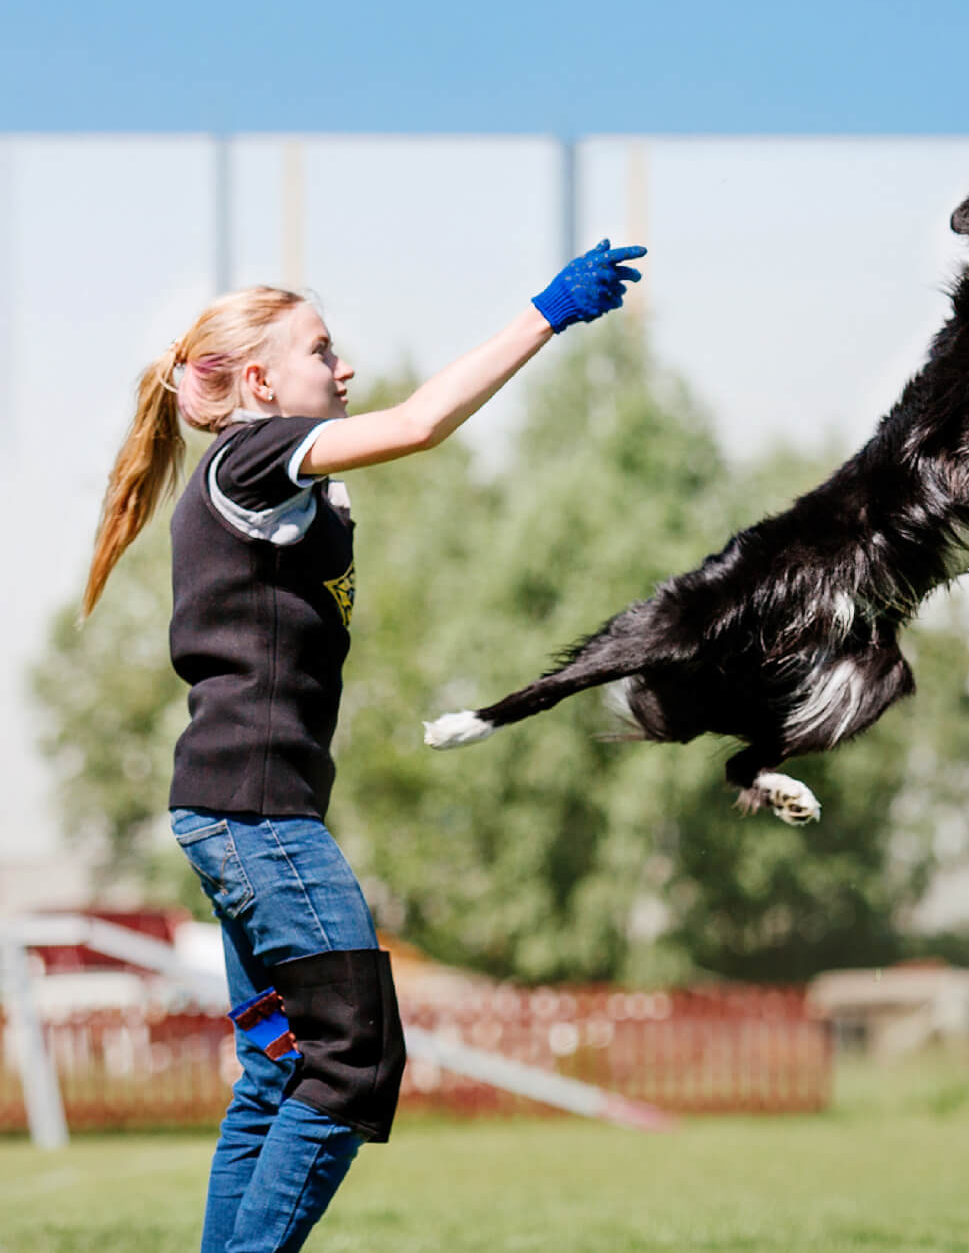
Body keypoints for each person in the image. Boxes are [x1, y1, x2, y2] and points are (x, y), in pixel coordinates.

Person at [81, 239, 645, 1253]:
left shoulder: (268, 482)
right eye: (322, 350)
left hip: (228, 808)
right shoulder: (251, 458)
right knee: (352, 1060)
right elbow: (422, 424)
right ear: (258, 382)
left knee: (282, 1065)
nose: (346, 369)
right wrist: (546, 314)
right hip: (257, 816)